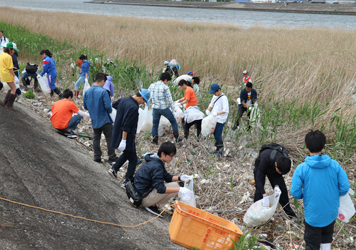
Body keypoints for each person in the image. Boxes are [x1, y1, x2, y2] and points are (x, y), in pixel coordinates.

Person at [291, 130, 350, 250]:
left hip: (313, 215)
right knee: (326, 238)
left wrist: (305, 194)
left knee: (312, 244)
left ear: (306, 147)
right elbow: (344, 187)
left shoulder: (302, 168)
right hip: (331, 212)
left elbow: (295, 193)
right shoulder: (334, 165)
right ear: (324, 146)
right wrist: (332, 194)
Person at [133, 142, 193, 217]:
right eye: (171, 156)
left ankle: (153, 204)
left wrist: (180, 178)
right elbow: (161, 189)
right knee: (174, 186)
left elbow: (167, 177)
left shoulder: (155, 161)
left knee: (174, 185)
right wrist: (179, 189)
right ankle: (153, 205)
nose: (172, 158)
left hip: (139, 193)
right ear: (163, 154)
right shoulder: (157, 166)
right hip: (143, 198)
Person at [109, 89, 151, 186]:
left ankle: (114, 168)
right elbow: (126, 126)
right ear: (141, 97)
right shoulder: (133, 107)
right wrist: (123, 141)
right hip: (126, 136)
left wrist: (122, 114)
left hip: (117, 132)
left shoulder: (123, 100)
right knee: (133, 160)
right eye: (144, 101)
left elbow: (114, 105)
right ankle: (127, 182)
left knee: (128, 153)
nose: (142, 103)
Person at [254, 143, 297, 218]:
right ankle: (256, 214)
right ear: (276, 164)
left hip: (274, 168)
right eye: (279, 171)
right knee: (259, 191)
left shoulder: (284, 162)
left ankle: (291, 215)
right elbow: (259, 178)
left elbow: (279, 175)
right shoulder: (265, 157)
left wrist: (276, 186)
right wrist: (264, 194)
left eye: (282, 172)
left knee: (282, 191)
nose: (280, 173)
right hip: (261, 166)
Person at [83, 73, 117, 164]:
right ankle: (112, 157)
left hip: (95, 119)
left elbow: (85, 106)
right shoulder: (103, 92)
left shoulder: (87, 91)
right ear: (102, 81)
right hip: (105, 119)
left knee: (96, 138)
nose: (104, 84)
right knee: (110, 138)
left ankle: (97, 157)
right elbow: (108, 108)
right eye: (104, 82)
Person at [149, 72, 181, 145]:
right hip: (164, 108)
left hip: (155, 108)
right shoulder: (165, 87)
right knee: (173, 121)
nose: (167, 83)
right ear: (166, 80)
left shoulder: (152, 85)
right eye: (168, 81)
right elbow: (170, 100)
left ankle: (155, 141)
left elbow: (149, 96)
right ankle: (176, 138)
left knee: (155, 124)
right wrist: (174, 110)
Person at [205, 83, 229, 157]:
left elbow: (225, 110)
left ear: (219, 90)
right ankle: (217, 149)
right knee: (215, 134)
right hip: (214, 118)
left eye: (215, 92)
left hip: (221, 119)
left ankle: (221, 151)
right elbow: (211, 104)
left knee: (218, 135)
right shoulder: (215, 96)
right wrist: (208, 110)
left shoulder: (224, 98)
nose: (214, 94)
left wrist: (217, 113)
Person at [0, 42, 19, 111]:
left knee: (11, 87)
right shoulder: (9, 57)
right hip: (8, 74)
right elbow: (10, 68)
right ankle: (9, 105)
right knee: (14, 88)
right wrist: (15, 77)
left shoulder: (2, 54)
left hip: (3, 74)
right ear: (9, 49)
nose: (14, 51)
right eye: (13, 50)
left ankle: (5, 101)